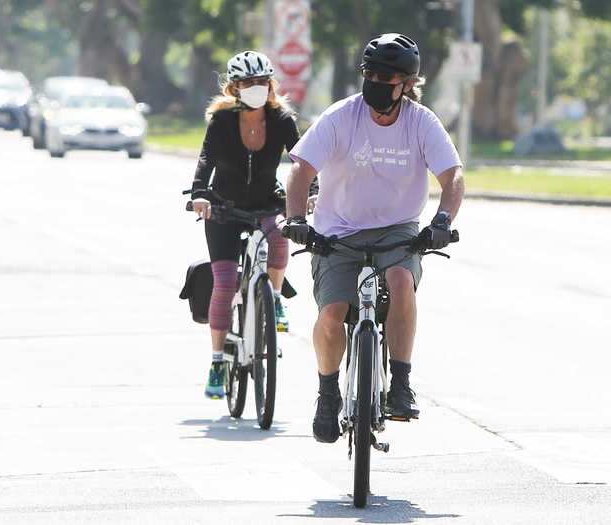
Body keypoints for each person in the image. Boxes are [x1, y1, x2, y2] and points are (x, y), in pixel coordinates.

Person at [283, 33, 465, 443]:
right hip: (338, 231)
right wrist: (296, 219)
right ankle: (328, 392)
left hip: (397, 230)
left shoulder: (422, 123)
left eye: (388, 77)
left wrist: (441, 220)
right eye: (372, 74)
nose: (378, 83)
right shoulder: (341, 116)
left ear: (407, 85)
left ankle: (400, 383)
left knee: (402, 282)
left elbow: (453, 176)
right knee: (332, 313)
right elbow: (301, 170)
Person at [190, 50, 299, 399]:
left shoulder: (281, 119)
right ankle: (218, 360)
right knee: (224, 283)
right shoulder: (221, 122)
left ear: (271, 85)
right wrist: (200, 193)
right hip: (224, 207)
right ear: (235, 88)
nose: (257, 88)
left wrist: (312, 190)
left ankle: (276, 299)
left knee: (282, 233)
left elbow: (301, 160)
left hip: (267, 202)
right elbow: (206, 159)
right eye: (249, 83)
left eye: (262, 82)